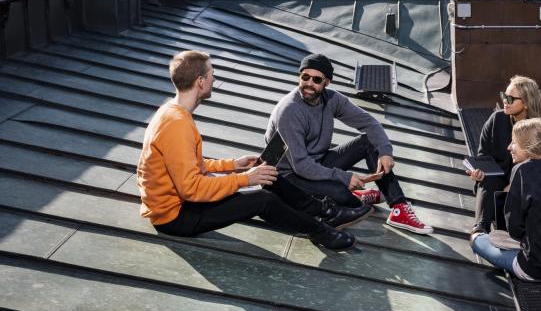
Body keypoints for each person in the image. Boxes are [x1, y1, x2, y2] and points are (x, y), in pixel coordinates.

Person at [137, 50, 355, 251]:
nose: (214, 79)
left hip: (184, 202)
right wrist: (244, 179)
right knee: (263, 200)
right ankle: (320, 232)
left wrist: (234, 165)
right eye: (212, 74)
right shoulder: (177, 124)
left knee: (269, 176)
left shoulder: (173, 112)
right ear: (200, 82)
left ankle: (324, 211)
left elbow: (191, 164)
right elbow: (190, 189)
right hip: (176, 216)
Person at [266, 53, 433, 235]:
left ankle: (398, 207)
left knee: (370, 141)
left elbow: (369, 123)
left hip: (316, 163)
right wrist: (344, 178)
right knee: (342, 195)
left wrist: (385, 151)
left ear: (326, 82)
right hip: (286, 177)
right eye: (305, 77)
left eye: (316, 79)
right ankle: (354, 196)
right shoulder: (289, 111)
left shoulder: (331, 99)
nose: (309, 84)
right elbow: (300, 165)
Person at [470, 118, 541, 281]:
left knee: (478, 241)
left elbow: (514, 229)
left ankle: (477, 236)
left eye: (514, 143)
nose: (509, 147)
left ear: (529, 146)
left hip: (536, 269)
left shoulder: (523, 170)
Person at [466, 76, 541, 235]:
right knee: (488, 180)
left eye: (510, 98)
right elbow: (484, 156)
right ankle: (479, 229)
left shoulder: (539, 129)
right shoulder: (497, 119)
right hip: (495, 182)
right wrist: (479, 172)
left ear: (526, 103)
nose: (505, 100)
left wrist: (514, 185)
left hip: (526, 186)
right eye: (504, 96)